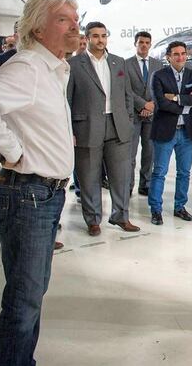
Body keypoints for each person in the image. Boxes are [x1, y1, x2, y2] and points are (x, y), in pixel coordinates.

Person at [0, 0, 80, 365]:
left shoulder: (53, 70)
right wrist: (12, 150)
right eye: (63, 19)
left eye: (75, 18)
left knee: (32, 291)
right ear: (38, 29)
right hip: (28, 193)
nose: (75, 25)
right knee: (24, 298)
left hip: (43, 194)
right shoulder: (28, 67)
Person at [68, 22, 139, 235]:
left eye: (104, 36)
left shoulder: (118, 62)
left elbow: (127, 95)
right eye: (96, 36)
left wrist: (127, 119)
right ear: (87, 38)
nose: (101, 40)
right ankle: (93, 220)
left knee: (121, 176)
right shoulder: (74, 64)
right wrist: (69, 129)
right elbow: (67, 100)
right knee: (89, 177)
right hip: (86, 127)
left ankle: (121, 216)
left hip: (117, 126)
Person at [147, 41, 192, 225]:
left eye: (183, 53)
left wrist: (177, 98)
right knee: (159, 172)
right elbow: (161, 104)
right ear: (168, 57)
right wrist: (186, 103)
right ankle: (156, 210)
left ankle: (180, 207)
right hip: (164, 131)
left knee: (184, 172)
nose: (180, 57)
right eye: (176, 54)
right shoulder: (158, 76)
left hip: (186, 131)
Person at [126, 31, 163, 196]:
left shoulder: (158, 64)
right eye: (141, 42)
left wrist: (153, 105)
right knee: (130, 154)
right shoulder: (125, 64)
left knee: (149, 153)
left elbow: (160, 88)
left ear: (150, 44)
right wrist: (142, 104)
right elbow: (125, 89)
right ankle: (128, 186)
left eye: (147, 42)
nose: (144, 45)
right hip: (133, 115)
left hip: (152, 116)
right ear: (135, 44)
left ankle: (145, 184)